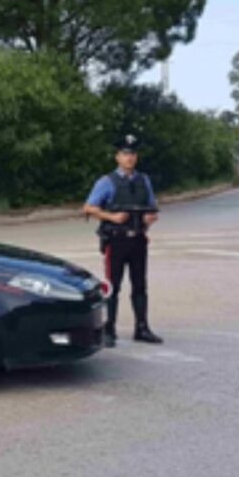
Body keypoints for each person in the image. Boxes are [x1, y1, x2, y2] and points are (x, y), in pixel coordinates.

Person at [83, 134, 163, 348]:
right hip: (116, 240)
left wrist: (150, 218)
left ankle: (142, 328)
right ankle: (109, 330)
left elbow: (153, 208)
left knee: (140, 286)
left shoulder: (143, 180)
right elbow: (89, 207)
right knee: (113, 286)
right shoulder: (107, 182)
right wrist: (112, 217)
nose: (129, 158)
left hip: (138, 239)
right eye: (125, 154)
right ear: (117, 157)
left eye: (133, 154)